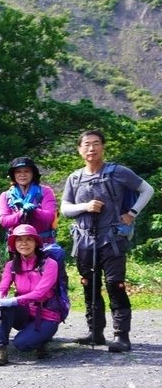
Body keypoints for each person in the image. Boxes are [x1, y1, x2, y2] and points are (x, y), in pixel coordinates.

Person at [61, 129, 154, 353]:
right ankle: (96, 332)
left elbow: (147, 189)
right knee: (89, 286)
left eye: (95, 143)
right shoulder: (75, 178)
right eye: (86, 144)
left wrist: (132, 213)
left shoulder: (118, 172)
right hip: (84, 241)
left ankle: (121, 336)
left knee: (115, 285)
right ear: (79, 149)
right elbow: (65, 209)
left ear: (103, 147)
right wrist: (86, 206)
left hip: (112, 240)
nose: (91, 148)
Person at [0, 225, 62, 366]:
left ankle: (41, 340)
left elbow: (39, 293)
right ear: (14, 244)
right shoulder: (11, 265)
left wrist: (11, 301)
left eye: (29, 239)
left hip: (47, 315)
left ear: (36, 243)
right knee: (5, 308)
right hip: (24, 311)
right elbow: (2, 288)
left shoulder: (49, 264)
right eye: (19, 240)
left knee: (22, 344)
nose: (24, 243)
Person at [0, 156, 57, 243]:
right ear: (13, 175)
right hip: (18, 245)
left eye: (27, 171)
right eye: (18, 172)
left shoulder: (45, 191)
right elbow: (4, 221)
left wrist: (34, 210)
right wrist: (21, 213)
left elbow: (50, 217)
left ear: (33, 173)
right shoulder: (6, 196)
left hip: (43, 242)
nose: (22, 175)